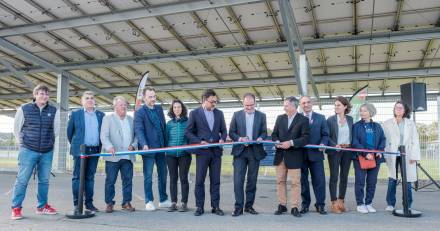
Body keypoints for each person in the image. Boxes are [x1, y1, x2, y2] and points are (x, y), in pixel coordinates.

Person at [11, 84, 59, 220]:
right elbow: (17, 128)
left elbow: (56, 131)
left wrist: (48, 143)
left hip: (46, 151)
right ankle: (16, 208)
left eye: (46, 94)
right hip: (28, 150)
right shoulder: (24, 108)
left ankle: (42, 206)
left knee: (44, 180)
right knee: (22, 180)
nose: (44, 96)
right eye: (41, 93)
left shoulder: (54, 110)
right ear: (35, 95)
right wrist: (22, 143)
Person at [185, 89, 227, 216]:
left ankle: (215, 207)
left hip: (216, 153)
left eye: (216, 101)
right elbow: (188, 132)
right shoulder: (194, 113)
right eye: (212, 101)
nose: (214, 104)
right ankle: (199, 207)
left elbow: (224, 131)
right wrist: (199, 141)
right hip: (202, 152)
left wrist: (222, 139)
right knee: (199, 180)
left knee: (215, 181)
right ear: (204, 100)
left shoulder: (219, 113)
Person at [229, 93, 267, 216]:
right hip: (240, 151)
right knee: (238, 180)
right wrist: (240, 138)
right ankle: (238, 207)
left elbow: (264, 132)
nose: (249, 107)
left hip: (254, 151)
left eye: (251, 105)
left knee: (252, 181)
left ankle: (249, 206)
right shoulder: (236, 115)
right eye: (246, 105)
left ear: (255, 103)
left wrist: (261, 137)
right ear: (243, 103)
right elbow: (231, 132)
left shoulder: (262, 116)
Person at [134, 86, 171, 211]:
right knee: (148, 176)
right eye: (150, 97)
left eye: (154, 96)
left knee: (163, 174)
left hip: (161, 148)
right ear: (144, 98)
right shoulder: (140, 112)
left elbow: (163, 127)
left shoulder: (159, 109)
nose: (153, 99)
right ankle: (149, 200)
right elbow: (139, 130)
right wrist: (144, 144)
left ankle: (163, 199)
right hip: (148, 149)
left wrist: (166, 144)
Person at [272, 96, 310, 218]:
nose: (284, 107)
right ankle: (282, 205)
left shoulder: (303, 120)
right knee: (280, 181)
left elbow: (305, 138)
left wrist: (291, 143)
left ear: (294, 106)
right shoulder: (280, 118)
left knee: (295, 183)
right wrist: (276, 141)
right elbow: (274, 134)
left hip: (294, 156)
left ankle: (295, 207)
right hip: (280, 156)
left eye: (286, 105)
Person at [67, 91, 104, 212]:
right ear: (82, 101)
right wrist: (77, 144)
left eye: (92, 98)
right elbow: (70, 133)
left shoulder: (101, 115)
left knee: (89, 177)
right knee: (77, 177)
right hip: (80, 150)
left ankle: (89, 204)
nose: (90, 100)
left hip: (94, 151)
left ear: (94, 101)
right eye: (87, 98)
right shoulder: (76, 114)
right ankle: (77, 203)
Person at [100, 96, 137, 213]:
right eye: (121, 105)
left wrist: (134, 145)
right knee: (110, 181)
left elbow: (136, 136)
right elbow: (103, 136)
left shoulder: (131, 120)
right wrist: (109, 146)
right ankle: (109, 203)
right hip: (113, 156)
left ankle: (126, 202)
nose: (124, 107)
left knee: (128, 180)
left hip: (127, 156)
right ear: (115, 107)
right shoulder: (107, 119)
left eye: (125, 105)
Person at [383, 101, 420, 211]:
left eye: (400, 108)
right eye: (396, 108)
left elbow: (415, 140)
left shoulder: (410, 123)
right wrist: (385, 154)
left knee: (407, 180)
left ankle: (407, 203)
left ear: (404, 110)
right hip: (393, 153)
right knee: (392, 179)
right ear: (394, 110)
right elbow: (384, 140)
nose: (398, 109)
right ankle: (390, 204)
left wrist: (414, 156)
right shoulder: (387, 123)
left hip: (407, 154)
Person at [352, 103, 386, 214]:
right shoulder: (356, 126)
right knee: (360, 182)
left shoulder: (377, 126)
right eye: (361, 110)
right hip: (361, 157)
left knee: (372, 182)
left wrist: (380, 150)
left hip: (375, 158)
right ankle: (360, 204)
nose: (362, 113)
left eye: (365, 110)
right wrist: (365, 153)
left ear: (370, 112)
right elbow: (354, 142)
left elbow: (383, 139)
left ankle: (368, 203)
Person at [298, 96, 329, 215]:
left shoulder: (321, 118)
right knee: (303, 181)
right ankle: (305, 205)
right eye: (303, 103)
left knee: (319, 180)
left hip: (316, 154)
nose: (306, 104)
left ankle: (320, 205)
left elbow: (325, 135)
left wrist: (323, 143)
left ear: (312, 103)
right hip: (301, 154)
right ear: (301, 105)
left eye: (308, 102)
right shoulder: (297, 118)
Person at [326, 96, 353, 213]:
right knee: (334, 177)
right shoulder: (330, 120)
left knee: (344, 177)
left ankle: (341, 202)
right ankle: (333, 203)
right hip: (334, 151)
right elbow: (326, 136)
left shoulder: (350, 119)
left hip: (347, 151)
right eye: (335, 105)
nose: (336, 107)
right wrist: (334, 145)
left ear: (345, 107)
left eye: (339, 105)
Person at [165, 99, 191, 212]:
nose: (177, 109)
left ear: (182, 109)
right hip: (170, 155)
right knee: (173, 179)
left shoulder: (188, 122)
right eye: (175, 107)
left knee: (184, 178)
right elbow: (166, 138)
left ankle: (184, 203)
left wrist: (187, 147)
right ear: (172, 109)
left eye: (179, 107)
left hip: (184, 154)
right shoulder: (169, 124)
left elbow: (191, 136)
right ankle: (173, 202)